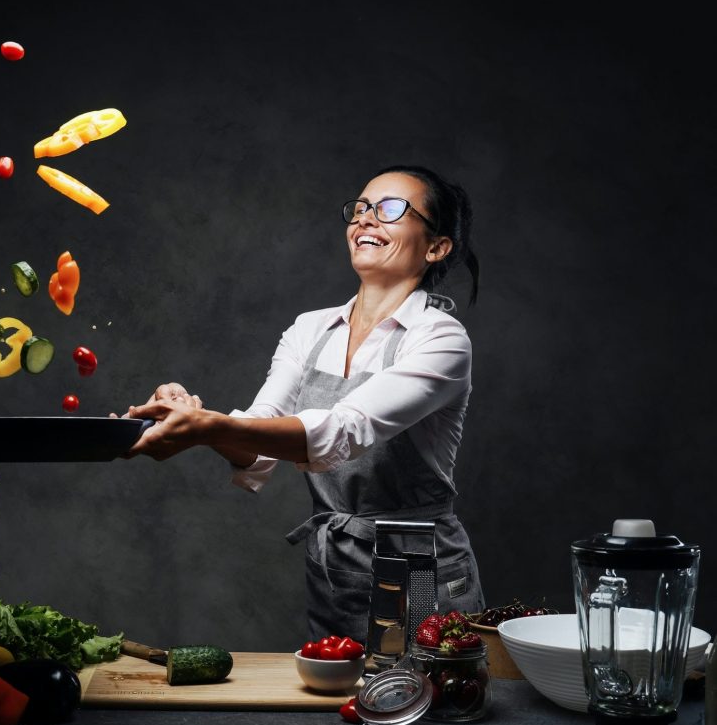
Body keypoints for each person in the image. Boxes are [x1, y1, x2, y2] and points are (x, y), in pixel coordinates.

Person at [119, 164, 486, 650]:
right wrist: (199, 421)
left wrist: (209, 426)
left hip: (422, 570)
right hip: (336, 568)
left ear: (436, 247)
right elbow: (260, 438)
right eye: (359, 209)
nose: (365, 220)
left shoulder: (440, 338)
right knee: (335, 711)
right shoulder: (309, 330)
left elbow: (343, 431)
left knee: (435, 706)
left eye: (391, 209)